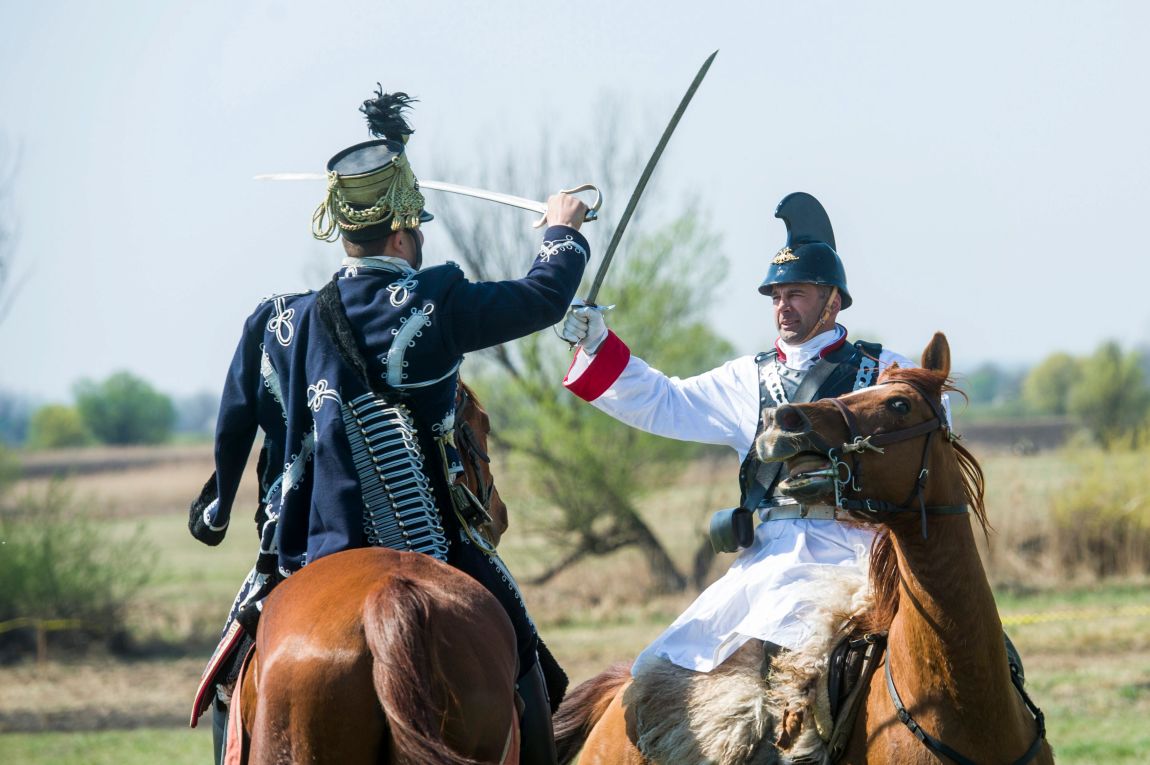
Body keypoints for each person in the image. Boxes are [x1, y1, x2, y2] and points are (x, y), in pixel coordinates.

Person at [188, 88, 589, 765]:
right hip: (435, 546)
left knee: (229, 680)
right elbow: (543, 296)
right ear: (404, 233)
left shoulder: (277, 322)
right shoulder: (437, 300)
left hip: (305, 550)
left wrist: (217, 507)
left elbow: (234, 426)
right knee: (527, 662)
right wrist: (563, 232)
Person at [559, 191, 915, 675]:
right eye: (777, 297)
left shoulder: (887, 371)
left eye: (796, 295)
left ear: (832, 302)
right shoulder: (747, 377)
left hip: (862, 551)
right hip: (771, 557)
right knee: (656, 671)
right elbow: (666, 401)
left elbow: (932, 437)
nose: (783, 307)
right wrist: (596, 342)